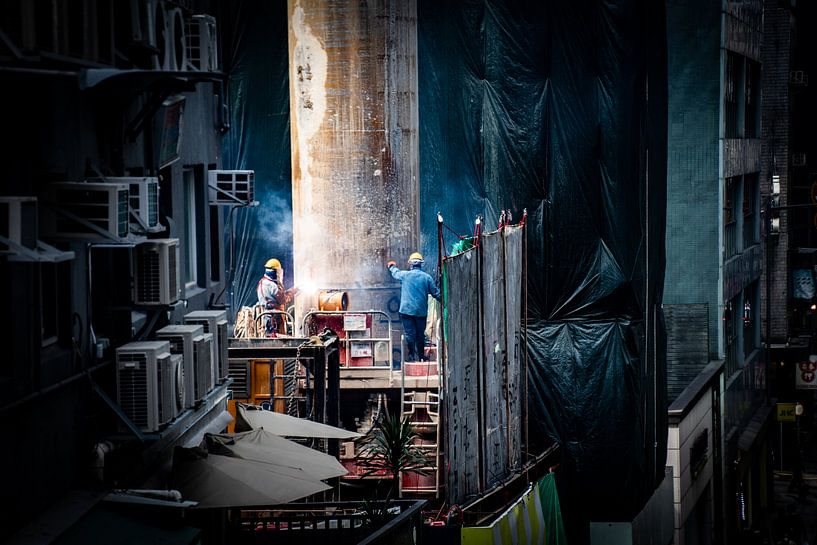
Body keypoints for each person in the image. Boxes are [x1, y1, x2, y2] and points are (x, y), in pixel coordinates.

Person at [388, 252, 441, 362]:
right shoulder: (427, 278)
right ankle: (421, 356)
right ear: (421, 264)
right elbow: (436, 294)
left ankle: (411, 356)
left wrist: (392, 266)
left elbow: (395, 273)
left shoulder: (405, 275)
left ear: (411, 264)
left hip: (406, 311)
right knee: (420, 334)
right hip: (420, 312)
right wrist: (447, 302)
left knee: (409, 334)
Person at [256, 258, 289, 336]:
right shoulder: (272, 285)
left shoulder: (262, 282)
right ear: (276, 271)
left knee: (269, 337)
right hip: (275, 317)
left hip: (266, 315)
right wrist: (293, 291)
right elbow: (283, 299)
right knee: (277, 339)